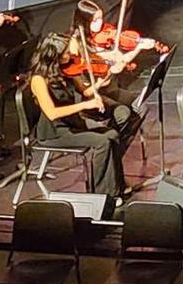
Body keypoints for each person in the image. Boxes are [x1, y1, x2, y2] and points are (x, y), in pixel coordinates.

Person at [25, 32, 130, 196]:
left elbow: (87, 91)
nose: (72, 55)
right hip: (55, 132)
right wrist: (85, 105)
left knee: (113, 134)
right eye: (67, 53)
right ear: (55, 55)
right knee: (102, 142)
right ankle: (104, 195)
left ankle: (116, 186)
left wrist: (109, 75)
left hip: (72, 123)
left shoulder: (65, 70)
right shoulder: (38, 80)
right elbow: (52, 113)